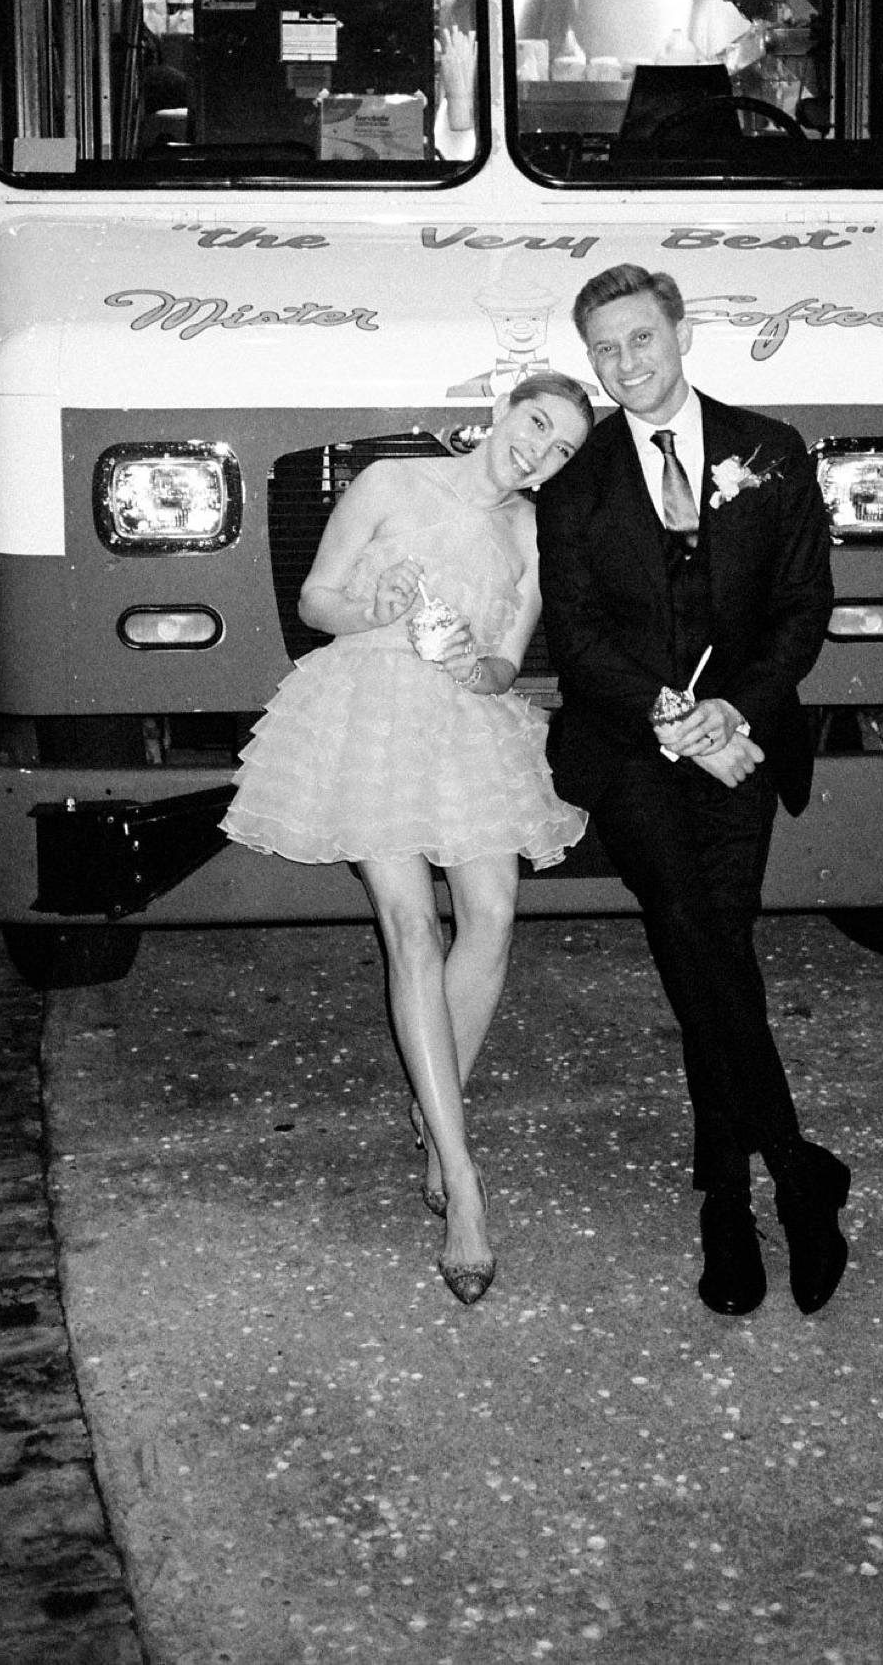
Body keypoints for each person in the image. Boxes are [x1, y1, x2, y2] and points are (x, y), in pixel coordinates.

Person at [222, 374, 594, 1304]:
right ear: (503, 411)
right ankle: (461, 1180)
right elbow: (315, 601)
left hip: (466, 721)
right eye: (536, 423)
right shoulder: (390, 482)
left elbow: (510, 657)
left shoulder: (530, 531)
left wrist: (480, 666)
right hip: (368, 705)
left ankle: (437, 1116)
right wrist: (376, 605)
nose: (539, 451)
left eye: (561, 449)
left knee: (493, 916)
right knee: (412, 928)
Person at [536, 264, 848, 1319]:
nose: (625, 362)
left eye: (640, 338)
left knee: (713, 940)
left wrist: (733, 715)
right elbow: (578, 641)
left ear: (680, 333)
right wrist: (676, 722)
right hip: (629, 744)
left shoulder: (771, 450)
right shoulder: (575, 483)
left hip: (743, 737)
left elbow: (803, 608)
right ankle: (791, 1170)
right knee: (686, 916)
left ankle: (730, 1193)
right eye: (605, 348)